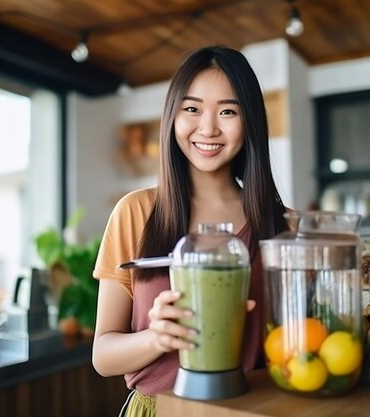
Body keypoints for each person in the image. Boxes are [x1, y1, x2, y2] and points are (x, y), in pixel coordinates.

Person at [91, 45, 289, 417]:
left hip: (253, 408)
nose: (208, 128)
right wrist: (157, 337)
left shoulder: (285, 227)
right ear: (173, 117)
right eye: (192, 109)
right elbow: (103, 356)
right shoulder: (135, 212)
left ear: (250, 123)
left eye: (228, 111)